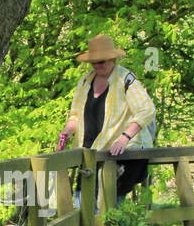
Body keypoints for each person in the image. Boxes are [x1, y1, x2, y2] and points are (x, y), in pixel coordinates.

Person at [57, 34, 156, 201]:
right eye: (93, 62)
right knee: (81, 205)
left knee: (109, 209)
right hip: (90, 154)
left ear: (112, 59)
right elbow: (75, 116)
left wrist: (124, 138)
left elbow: (146, 110)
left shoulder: (125, 79)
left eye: (101, 61)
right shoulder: (84, 82)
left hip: (118, 156)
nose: (97, 65)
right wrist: (67, 131)